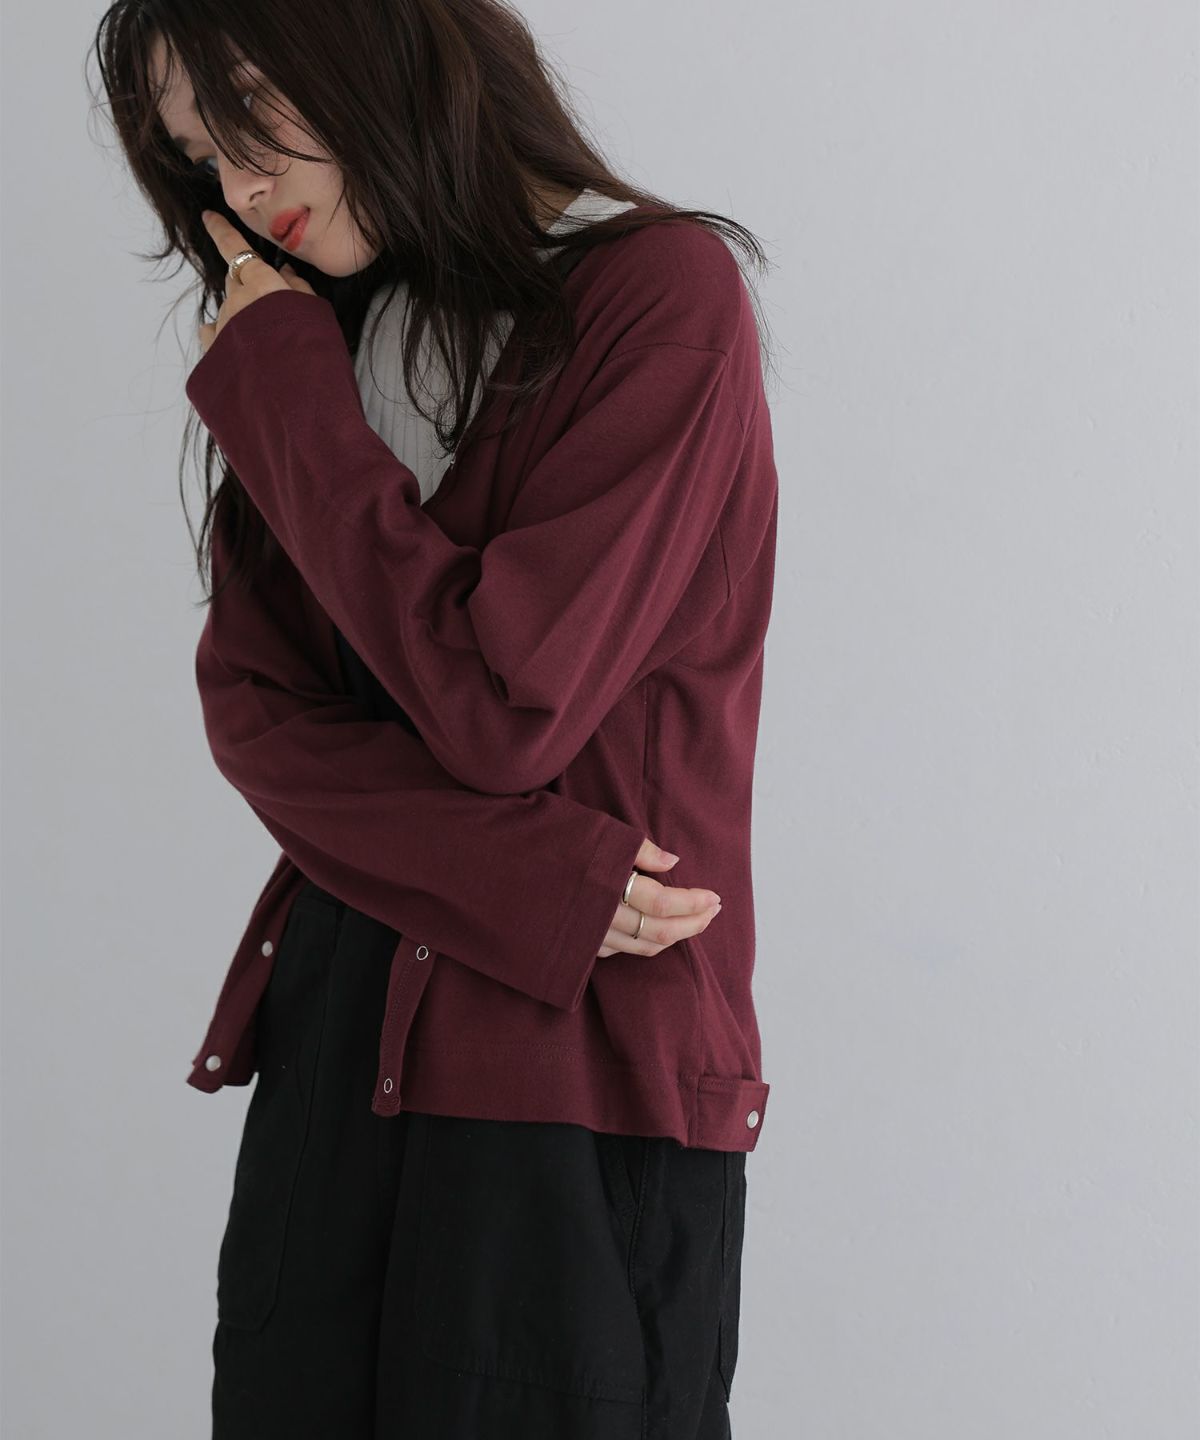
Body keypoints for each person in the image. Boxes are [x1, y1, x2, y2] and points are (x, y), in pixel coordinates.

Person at [90, 2, 779, 1435]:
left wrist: (284, 397)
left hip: (579, 1077)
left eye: (251, 109)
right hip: (335, 1056)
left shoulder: (658, 297)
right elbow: (256, 714)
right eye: (196, 153)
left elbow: (507, 705)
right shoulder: (312, 339)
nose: (235, 182)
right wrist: (527, 876)